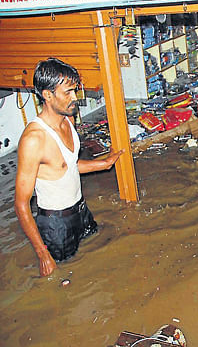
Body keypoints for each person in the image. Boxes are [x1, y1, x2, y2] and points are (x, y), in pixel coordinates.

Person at [14, 58, 124, 277]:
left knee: (98, 256)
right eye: (68, 92)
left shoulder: (68, 121)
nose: (75, 98)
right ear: (47, 95)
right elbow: (20, 204)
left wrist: (103, 164)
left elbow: (67, 167)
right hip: (56, 225)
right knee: (65, 277)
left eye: (75, 90)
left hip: (82, 211)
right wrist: (42, 254)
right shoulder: (34, 139)